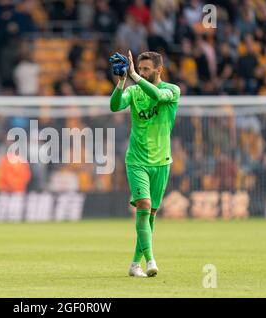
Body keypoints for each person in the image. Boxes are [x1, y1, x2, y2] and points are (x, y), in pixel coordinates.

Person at [110, 51, 181, 278]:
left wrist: (133, 76)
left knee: (150, 215)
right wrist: (122, 82)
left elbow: (158, 97)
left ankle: (134, 264)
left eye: (146, 69)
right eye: (139, 69)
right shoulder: (134, 90)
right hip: (137, 160)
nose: (141, 73)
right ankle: (150, 260)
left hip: (161, 161)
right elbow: (114, 106)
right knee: (143, 207)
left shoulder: (172, 90)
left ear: (159, 70)